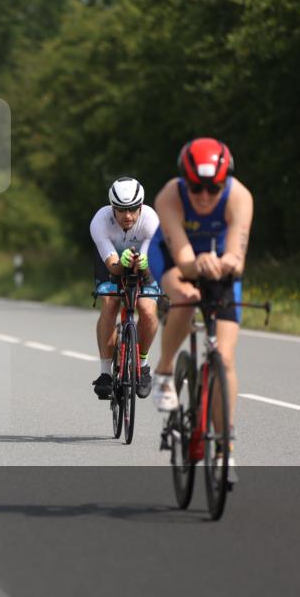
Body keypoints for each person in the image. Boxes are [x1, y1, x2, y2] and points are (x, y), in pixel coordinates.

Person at [147, 137, 253, 477]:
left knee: (224, 356)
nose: (205, 196)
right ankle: (164, 372)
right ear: (184, 181)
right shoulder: (169, 196)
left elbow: (237, 257)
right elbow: (183, 259)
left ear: (225, 183)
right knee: (186, 296)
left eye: (213, 188)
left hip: (219, 263)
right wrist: (200, 265)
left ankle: (225, 447)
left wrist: (226, 264)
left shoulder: (239, 196)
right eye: (196, 187)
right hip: (174, 257)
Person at [90, 177, 161, 400]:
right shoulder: (100, 221)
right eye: (121, 209)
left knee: (148, 311)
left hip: (145, 265)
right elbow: (113, 266)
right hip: (112, 264)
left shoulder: (151, 220)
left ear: (141, 206)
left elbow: (150, 261)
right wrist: (123, 262)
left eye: (132, 209)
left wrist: (143, 264)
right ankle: (105, 373)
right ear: (112, 208)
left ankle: (143, 364)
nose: (127, 216)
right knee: (110, 304)